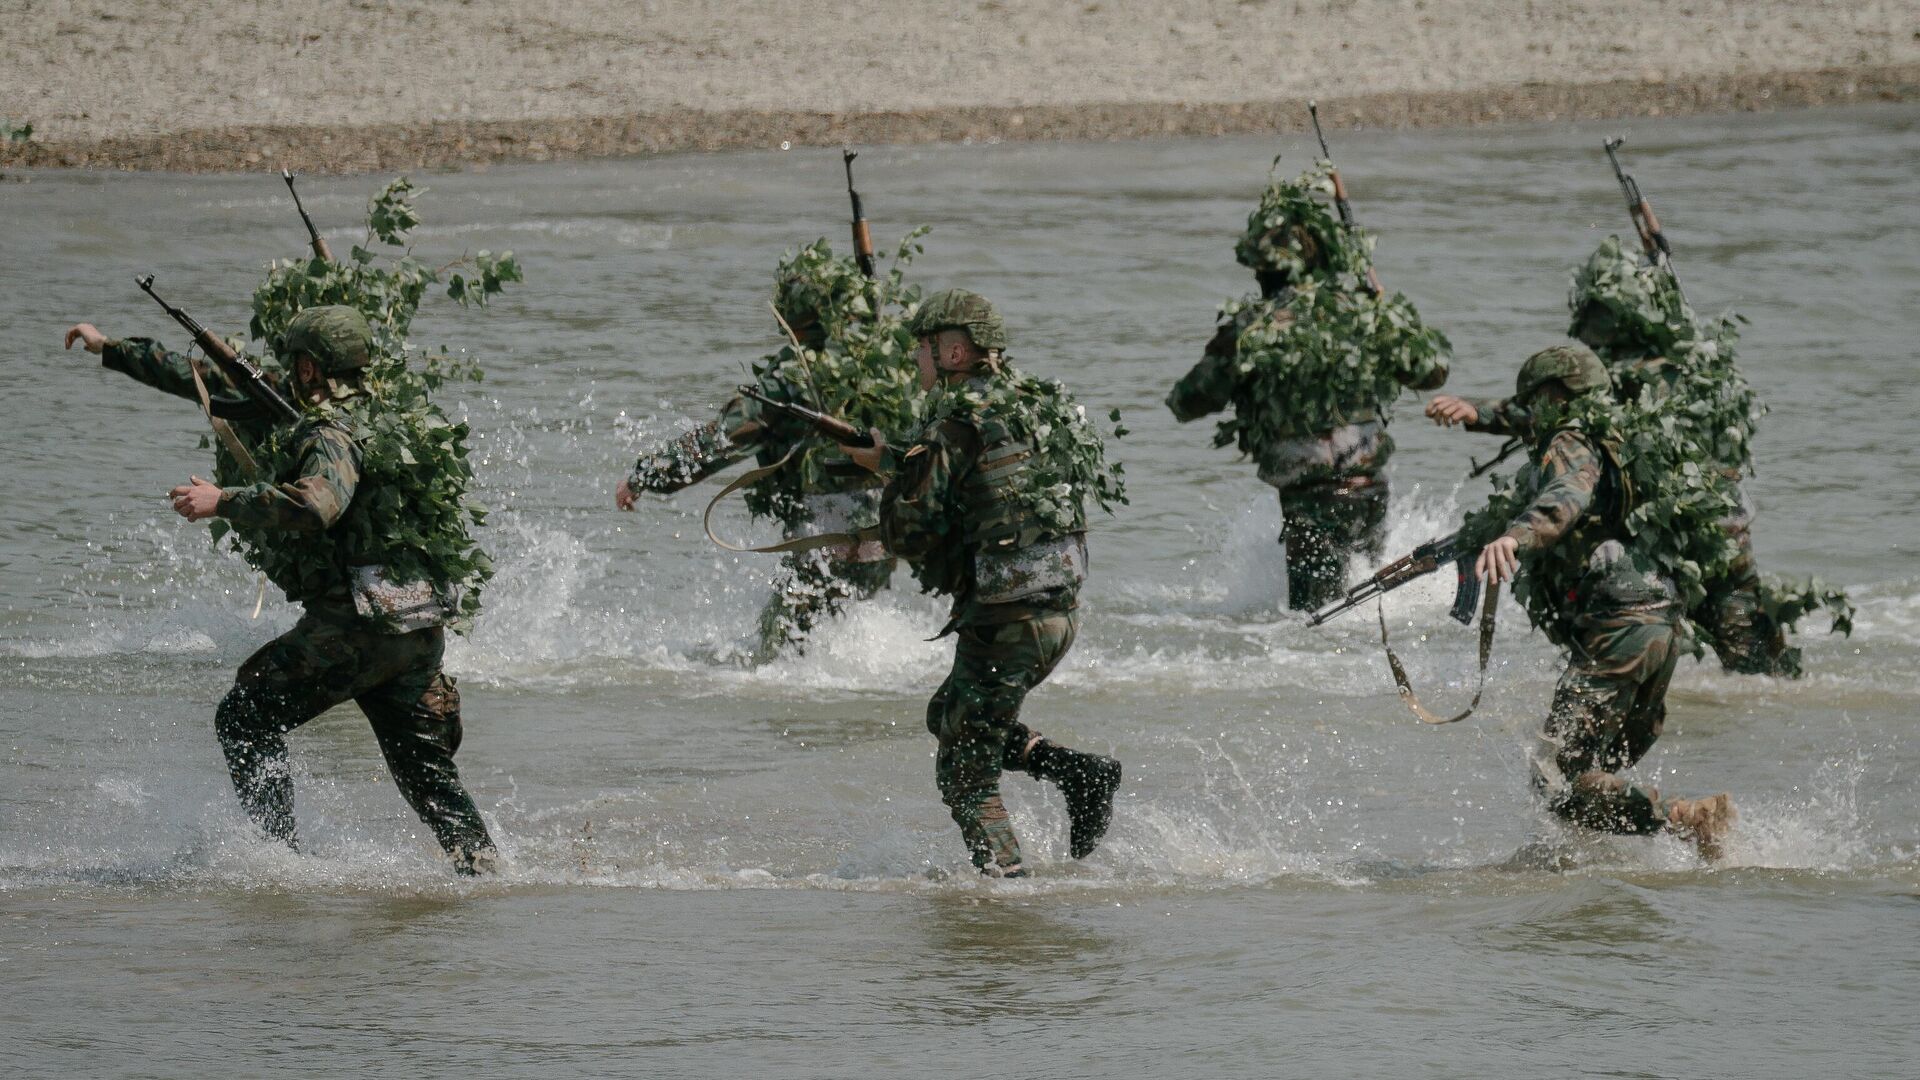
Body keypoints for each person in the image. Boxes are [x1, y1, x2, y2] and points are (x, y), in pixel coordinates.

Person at [64, 307, 498, 874]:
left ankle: (278, 862)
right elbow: (215, 382)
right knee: (428, 777)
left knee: (242, 717)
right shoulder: (387, 417)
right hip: (416, 623)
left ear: (311, 368)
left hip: (357, 628)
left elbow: (317, 505)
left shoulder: (329, 434)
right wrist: (111, 348)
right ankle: (484, 873)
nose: (289, 371)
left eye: (296, 362)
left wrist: (223, 500)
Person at [841, 289, 1123, 878]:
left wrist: (890, 486)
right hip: (1057, 612)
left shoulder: (954, 423)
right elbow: (987, 486)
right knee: (948, 712)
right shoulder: (1036, 408)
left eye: (922, 347)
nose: (915, 358)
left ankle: (1009, 896)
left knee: (964, 772)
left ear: (953, 352)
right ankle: (1074, 771)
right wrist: (892, 459)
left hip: (1006, 620)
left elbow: (911, 532)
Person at [1429, 236, 1799, 675]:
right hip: (1711, 517)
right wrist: (1479, 413)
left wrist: (1483, 413)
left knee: (1719, 624)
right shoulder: (1690, 365)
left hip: (1700, 522)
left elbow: (1573, 414)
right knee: (1736, 634)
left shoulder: (1640, 376)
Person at [1470, 344, 1735, 858]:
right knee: (1590, 774)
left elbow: (1568, 492)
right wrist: (1474, 414)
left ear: (1555, 395)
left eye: (1534, 401)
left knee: (1556, 779)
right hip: (1660, 626)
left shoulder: (1570, 440)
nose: (1530, 414)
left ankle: (1686, 817)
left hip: (1619, 630)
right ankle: (1588, 872)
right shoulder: (1621, 439)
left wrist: (1515, 536)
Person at [1168, 165, 1450, 610]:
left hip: (1313, 503)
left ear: (1263, 270)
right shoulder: (1361, 315)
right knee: (1367, 610)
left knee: (1318, 622)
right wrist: (1383, 305)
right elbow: (1432, 372)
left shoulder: (1251, 330)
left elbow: (1187, 403)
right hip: (1370, 490)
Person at [617, 242, 915, 656]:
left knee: (778, 657)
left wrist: (646, 475)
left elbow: (724, 440)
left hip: (820, 543)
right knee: (850, 645)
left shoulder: (791, 375)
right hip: (881, 540)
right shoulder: (881, 363)